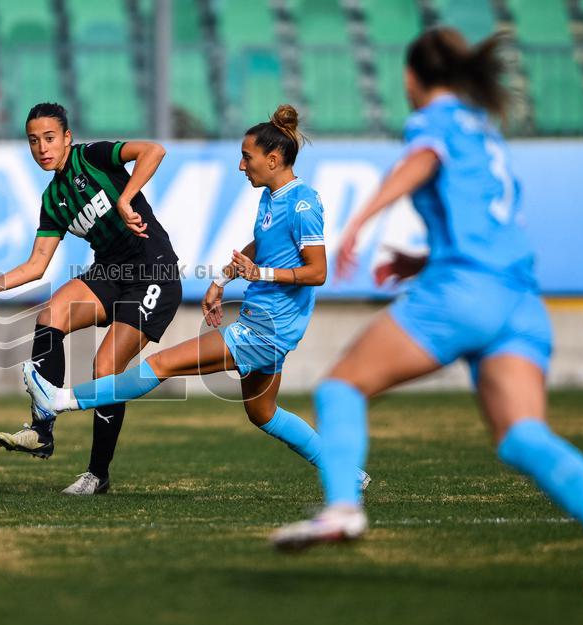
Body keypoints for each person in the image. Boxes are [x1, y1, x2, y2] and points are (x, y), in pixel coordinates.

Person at [267, 29, 583, 596]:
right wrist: (421, 260)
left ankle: (344, 508)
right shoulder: (485, 131)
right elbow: (487, 223)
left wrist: (362, 219)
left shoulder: (436, 122)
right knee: (521, 435)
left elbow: (423, 160)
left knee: (340, 389)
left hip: (462, 295)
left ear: (411, 78)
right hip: (520, 301)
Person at [21, 105, 369, 491]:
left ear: (273, 160)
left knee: (163, 364)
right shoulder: (273, 198)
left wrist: (262, 274)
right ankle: (344, 471)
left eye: (246, 157)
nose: (241, 166)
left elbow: (317, 272)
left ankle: (60, 399)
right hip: (263, 323)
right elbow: (264, 244)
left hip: (265, 330)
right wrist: (223, 279)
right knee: (263, 413)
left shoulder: (303, 203)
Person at [0, 102, 182, 495]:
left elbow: (154, 150)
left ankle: (97, 475)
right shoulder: (53, 200)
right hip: (110, 272)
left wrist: (125, 197)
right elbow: (35, 266)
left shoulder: (94, 157)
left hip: (154, 271)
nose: (42, 148)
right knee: (52, 314)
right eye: (34, 141)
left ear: (67, 138)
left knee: (106, 367)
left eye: (49, 138)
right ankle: (41, 430)